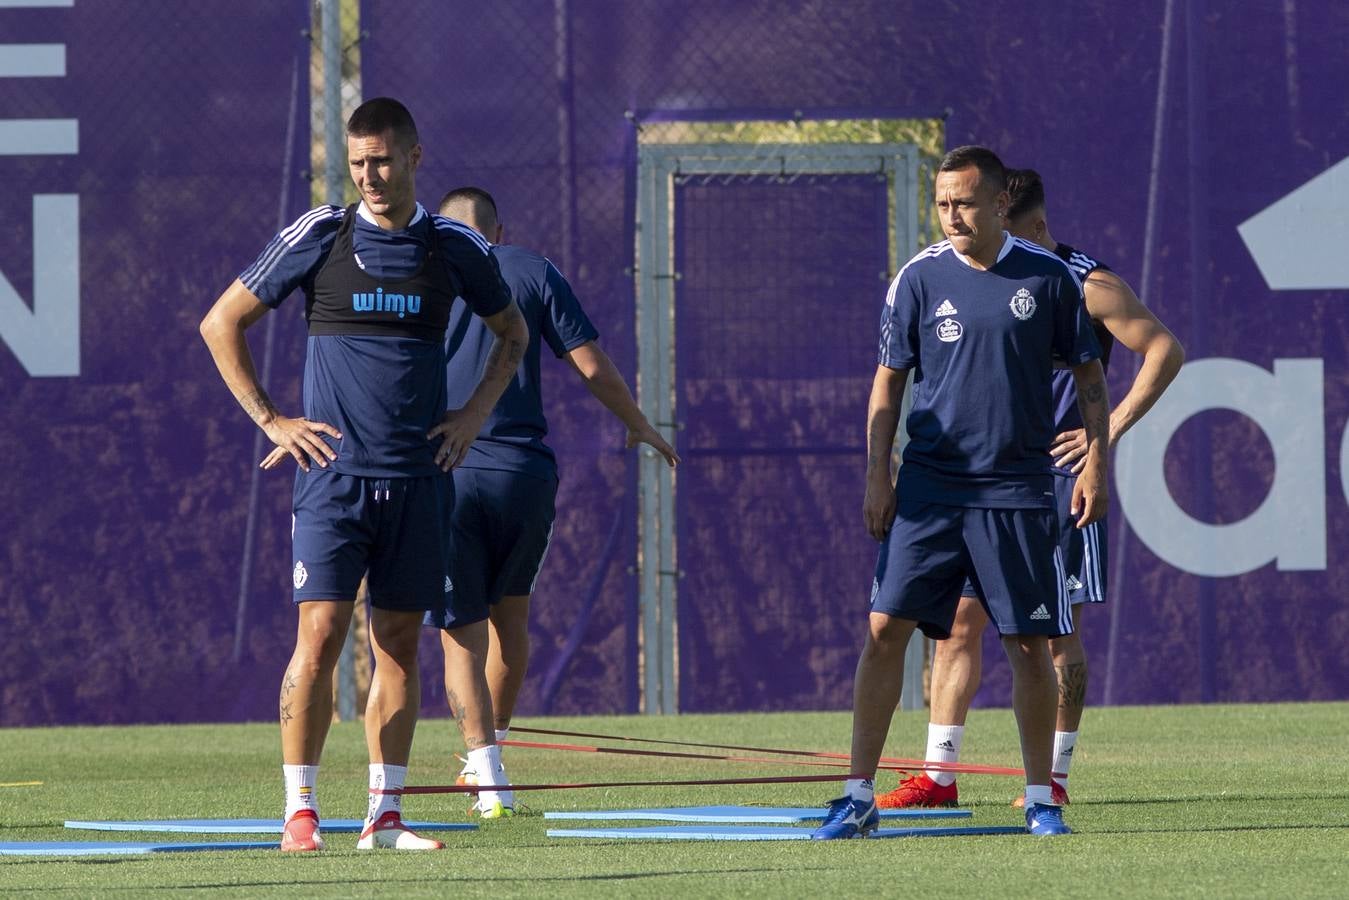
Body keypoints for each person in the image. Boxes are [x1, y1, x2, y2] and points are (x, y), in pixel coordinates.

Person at [200, 97, 528, 852]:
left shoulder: (451, 246)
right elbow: (221, 323)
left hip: (419, 482)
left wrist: (473, 415)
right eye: (357, 164)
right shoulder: (323, 233)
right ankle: (301, 813)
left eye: (382, 160)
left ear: (414, 157)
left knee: (400, 646)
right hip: (332, 481)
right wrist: (272, 419)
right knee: (317, 638)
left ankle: (384, 817)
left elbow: (510, 332)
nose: (369, 177)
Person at [812, 146, 1110, 840]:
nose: (951, 215)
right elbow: (887, 382)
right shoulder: (916, 278)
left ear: (1000, 202)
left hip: (1015, 490)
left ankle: (1040, 798)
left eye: (965, 202)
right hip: (929, 488)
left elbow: (1090, 378)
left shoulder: (1047, 278)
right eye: (942, 203)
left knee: (1029, 644)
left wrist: (1096, 463)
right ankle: (856, 795)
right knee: (885, 630)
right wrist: (876, 473)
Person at [877, 168, 1185, 810]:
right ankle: (938, 775)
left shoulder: (1083, 282)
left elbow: (1163, 349)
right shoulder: (961, 271)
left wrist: (1105, 437)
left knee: (1053, 630)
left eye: (1000, 228)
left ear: (1033, 226)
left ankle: (1057, 777)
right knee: (958, 621)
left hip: (1055, 481)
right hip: (982, 478)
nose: (979, 246)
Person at [426, 186, 680, 818]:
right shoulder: (532, 269)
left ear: (438, 228)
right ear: (500, 230)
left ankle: (487, 778)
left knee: (461, 635)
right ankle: (489, 758)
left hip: (446, 470)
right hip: (524, 476)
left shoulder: (421, 271)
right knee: (511, 621)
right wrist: (640, 422)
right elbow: (591, 365)